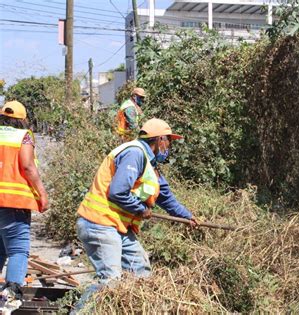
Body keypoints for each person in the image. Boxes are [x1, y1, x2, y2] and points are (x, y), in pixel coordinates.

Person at [76, 118, 198, 283]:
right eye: (169, 140)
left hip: (118, 227)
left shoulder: (150, 164)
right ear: (160, 139)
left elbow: (166, 198)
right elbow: (117, 192)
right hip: (100, 224)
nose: (169, 146)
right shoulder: (135, 153)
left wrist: (187, 217)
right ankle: (80, 310)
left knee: (141, 274)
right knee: (110, 282)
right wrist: (141, 209)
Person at [0, 101, 49, 301]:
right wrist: (42, 193)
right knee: (18, 248)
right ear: (22, 120)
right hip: (13, 201)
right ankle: (11, 294)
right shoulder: (24, 136)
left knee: (1, 248)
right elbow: (28, 166)